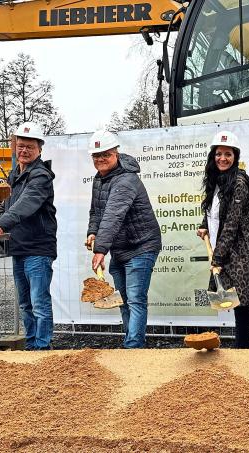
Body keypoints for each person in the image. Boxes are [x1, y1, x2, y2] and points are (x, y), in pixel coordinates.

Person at [85, 129, 162, 348]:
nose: (100, 159)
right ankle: (132, 343)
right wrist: (92, 232)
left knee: (135, 299)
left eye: (105, 154)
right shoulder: (99, 179)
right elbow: (96, 212)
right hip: (120, 248)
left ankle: (133, 347)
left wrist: (100, 250)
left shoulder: (126, 180)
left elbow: (113, 215)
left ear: (116, 153)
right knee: (124, 301)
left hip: (141, 246)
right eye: (96, 155)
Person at [0, 122, 57, 351]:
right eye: (21, 146)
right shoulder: (14, 175)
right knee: (25, 303)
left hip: (38, 248)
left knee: (39, 303)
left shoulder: (41, 176)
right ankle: (32, 345)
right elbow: (6, 205)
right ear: (15, 147)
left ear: (39, 149)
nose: (24, 150)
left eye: (29, 147)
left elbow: (27, 204)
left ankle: (42, 347)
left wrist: (1, 224)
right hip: (19, 248)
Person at [196, 131, 249, 348]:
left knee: (240, 303)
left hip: (239, 251)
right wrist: (204, 225)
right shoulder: (216, 180)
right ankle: (240, 347)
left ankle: (243, 349)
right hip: (222, 247)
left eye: (228, 154)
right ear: (213, 156)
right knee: (231, 300)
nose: (223, 158)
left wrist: (218, 259)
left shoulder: (239, 183)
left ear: (235, 157)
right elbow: (213, 210)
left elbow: (231, 224)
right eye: (219, 154)